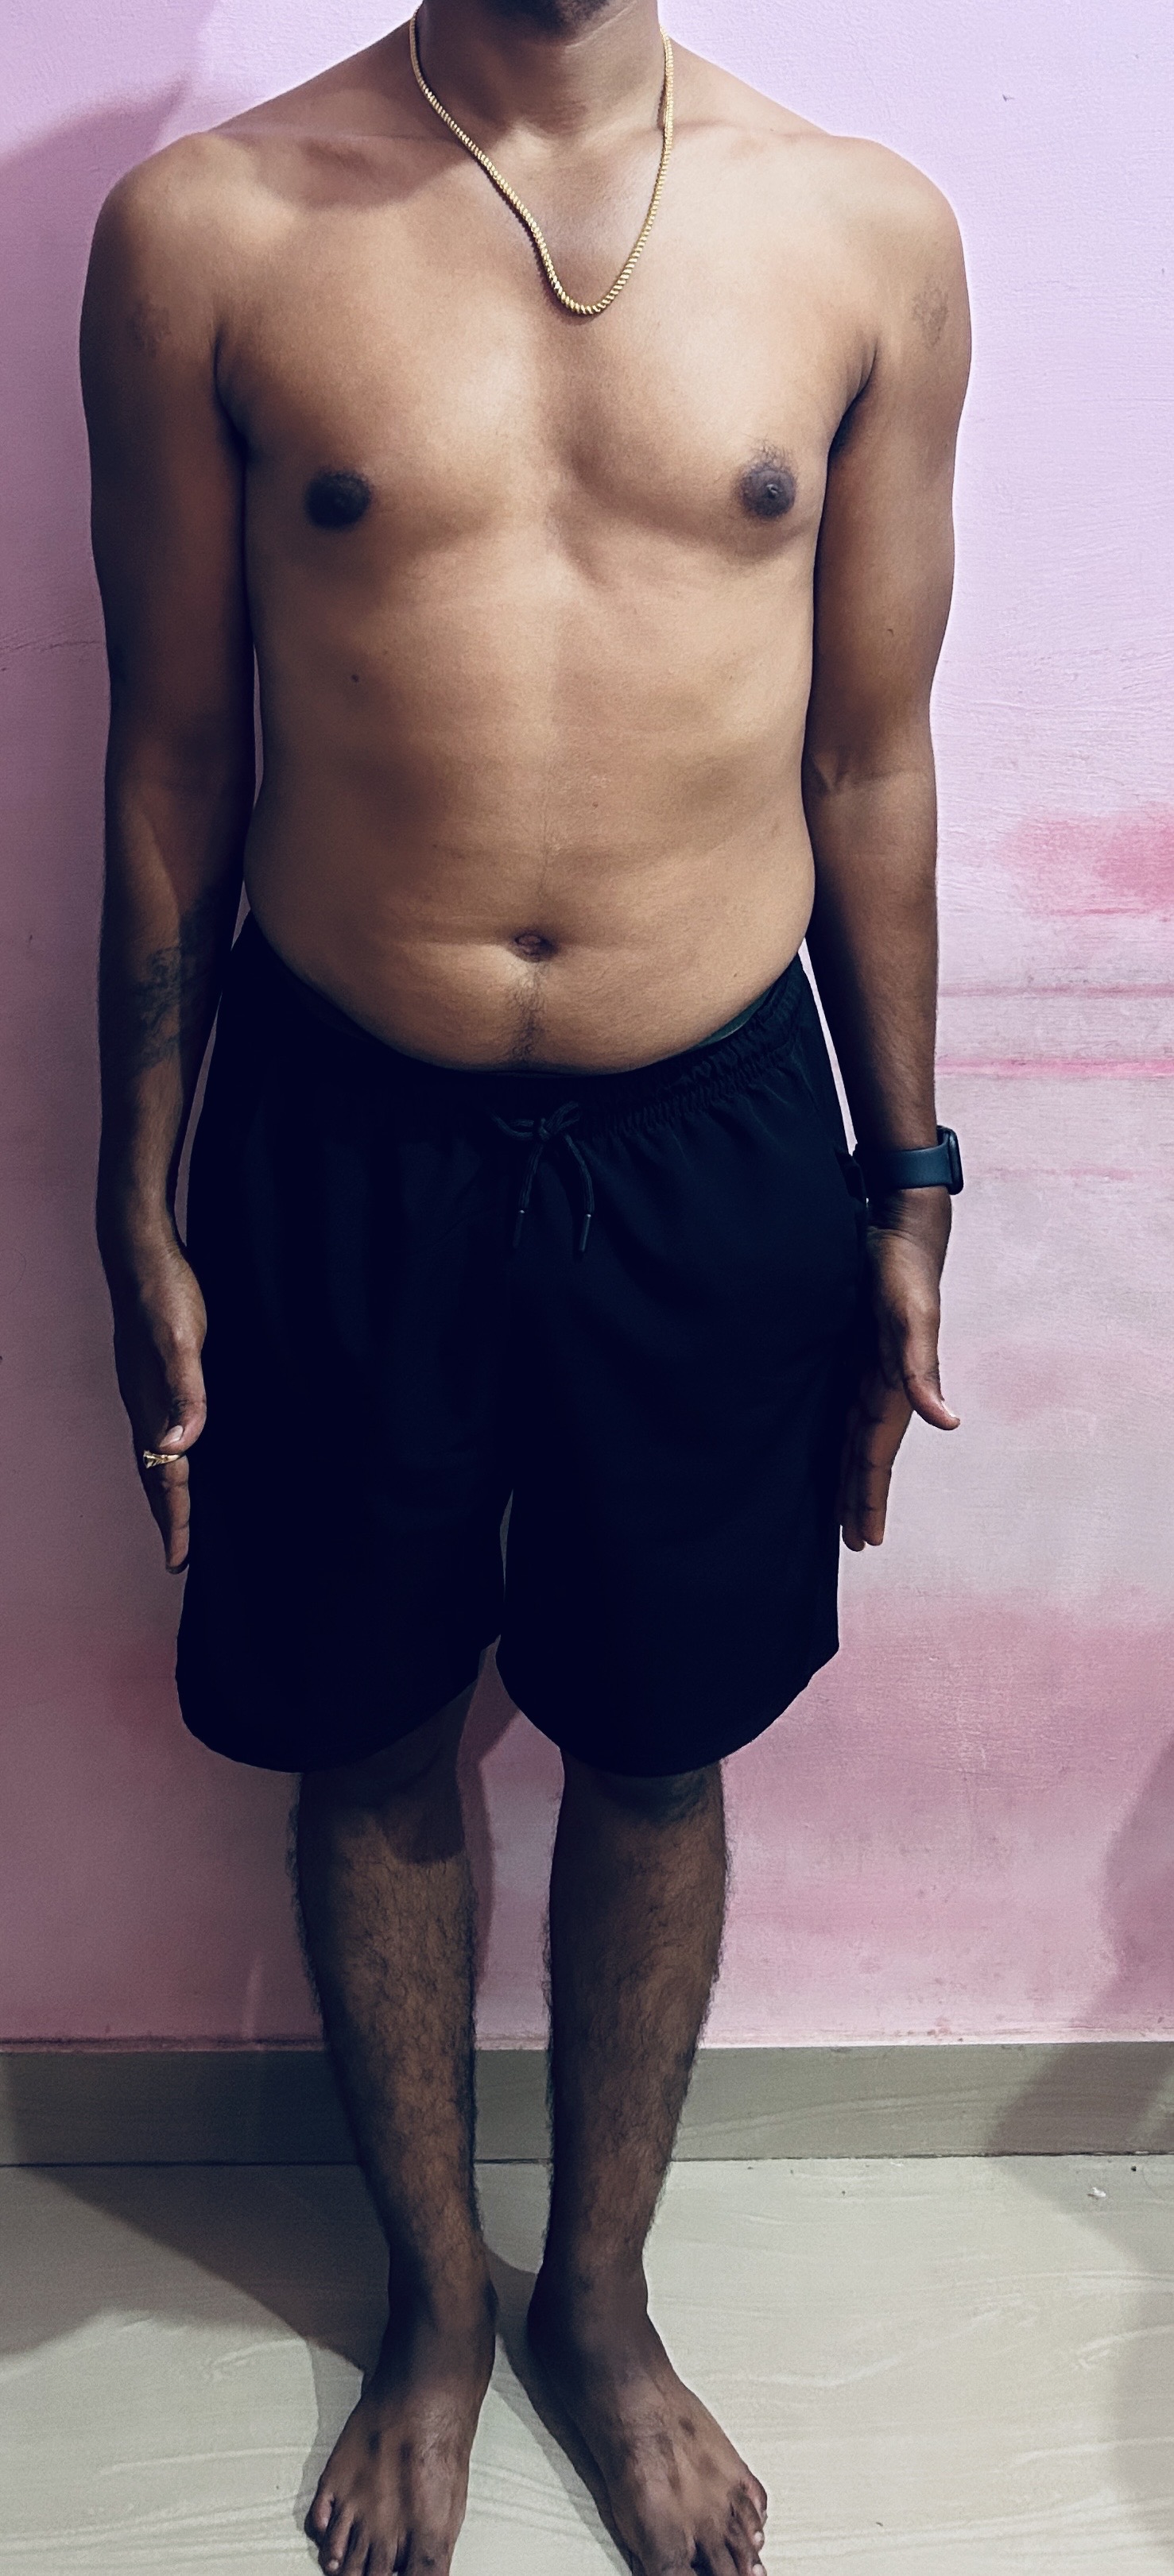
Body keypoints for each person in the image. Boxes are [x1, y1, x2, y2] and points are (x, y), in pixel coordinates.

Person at [82, 0, 969, 2566]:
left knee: (659, 1736)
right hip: (341, 1110)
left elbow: (871, 759)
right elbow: (173, 755)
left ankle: (602, 2296)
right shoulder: (207, 235)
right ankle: (433, 2312)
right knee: (366, 1728)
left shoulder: (863, 232)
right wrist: (134, 1189)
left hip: (718, 1121)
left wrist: (908, 1177)